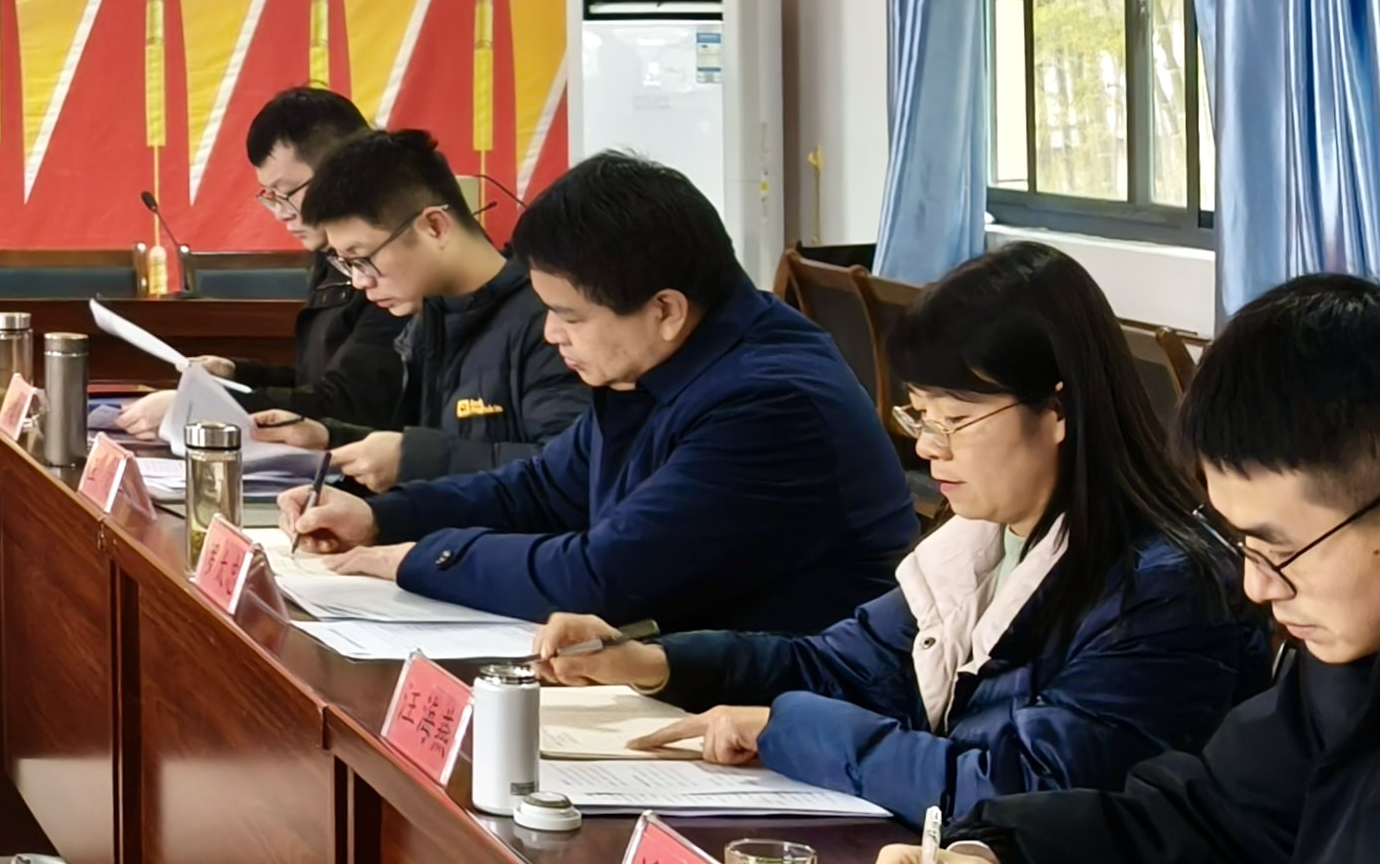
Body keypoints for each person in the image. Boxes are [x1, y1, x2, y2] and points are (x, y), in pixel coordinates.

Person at [539, 242, 1259, 821]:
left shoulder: (1162, 591)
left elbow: (1024, 789)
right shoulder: (983, 542)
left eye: (955, 420)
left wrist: (789, 729)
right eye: (921, 417)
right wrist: (655, 662)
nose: (928, 448)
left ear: (1058, 411)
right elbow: (836, 666)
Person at [877, 274, 1380, 864]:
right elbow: (1204, 829)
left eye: (1283, 548)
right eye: (1244, 545)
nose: (1259, 587)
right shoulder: (1338, 679)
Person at [278, 152, 911, 631]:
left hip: (775, 710)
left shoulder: (770, 405)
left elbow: (600, 578)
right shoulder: (660, 359)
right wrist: (381, 518)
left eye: (570, 316)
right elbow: (543, 489)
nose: (551, 334)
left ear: (665, 309)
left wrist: (416, 559)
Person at [252, 127, 586, 488]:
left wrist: (411, 459)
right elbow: (431, 449)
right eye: (346, 264)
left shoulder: (551, 325)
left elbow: (571, 473)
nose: (360, 282)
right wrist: (329, 438)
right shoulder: (429, 322)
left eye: (363, 258)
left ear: (435, 227)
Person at [110, 88, 403, 439]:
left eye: (287, 193)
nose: (280, 213)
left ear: (343, 170)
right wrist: (237, 374)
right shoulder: (332, 256)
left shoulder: (393, 263)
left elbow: (350, 404)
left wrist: (200, 408)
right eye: (271, 196)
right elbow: (318, 383)